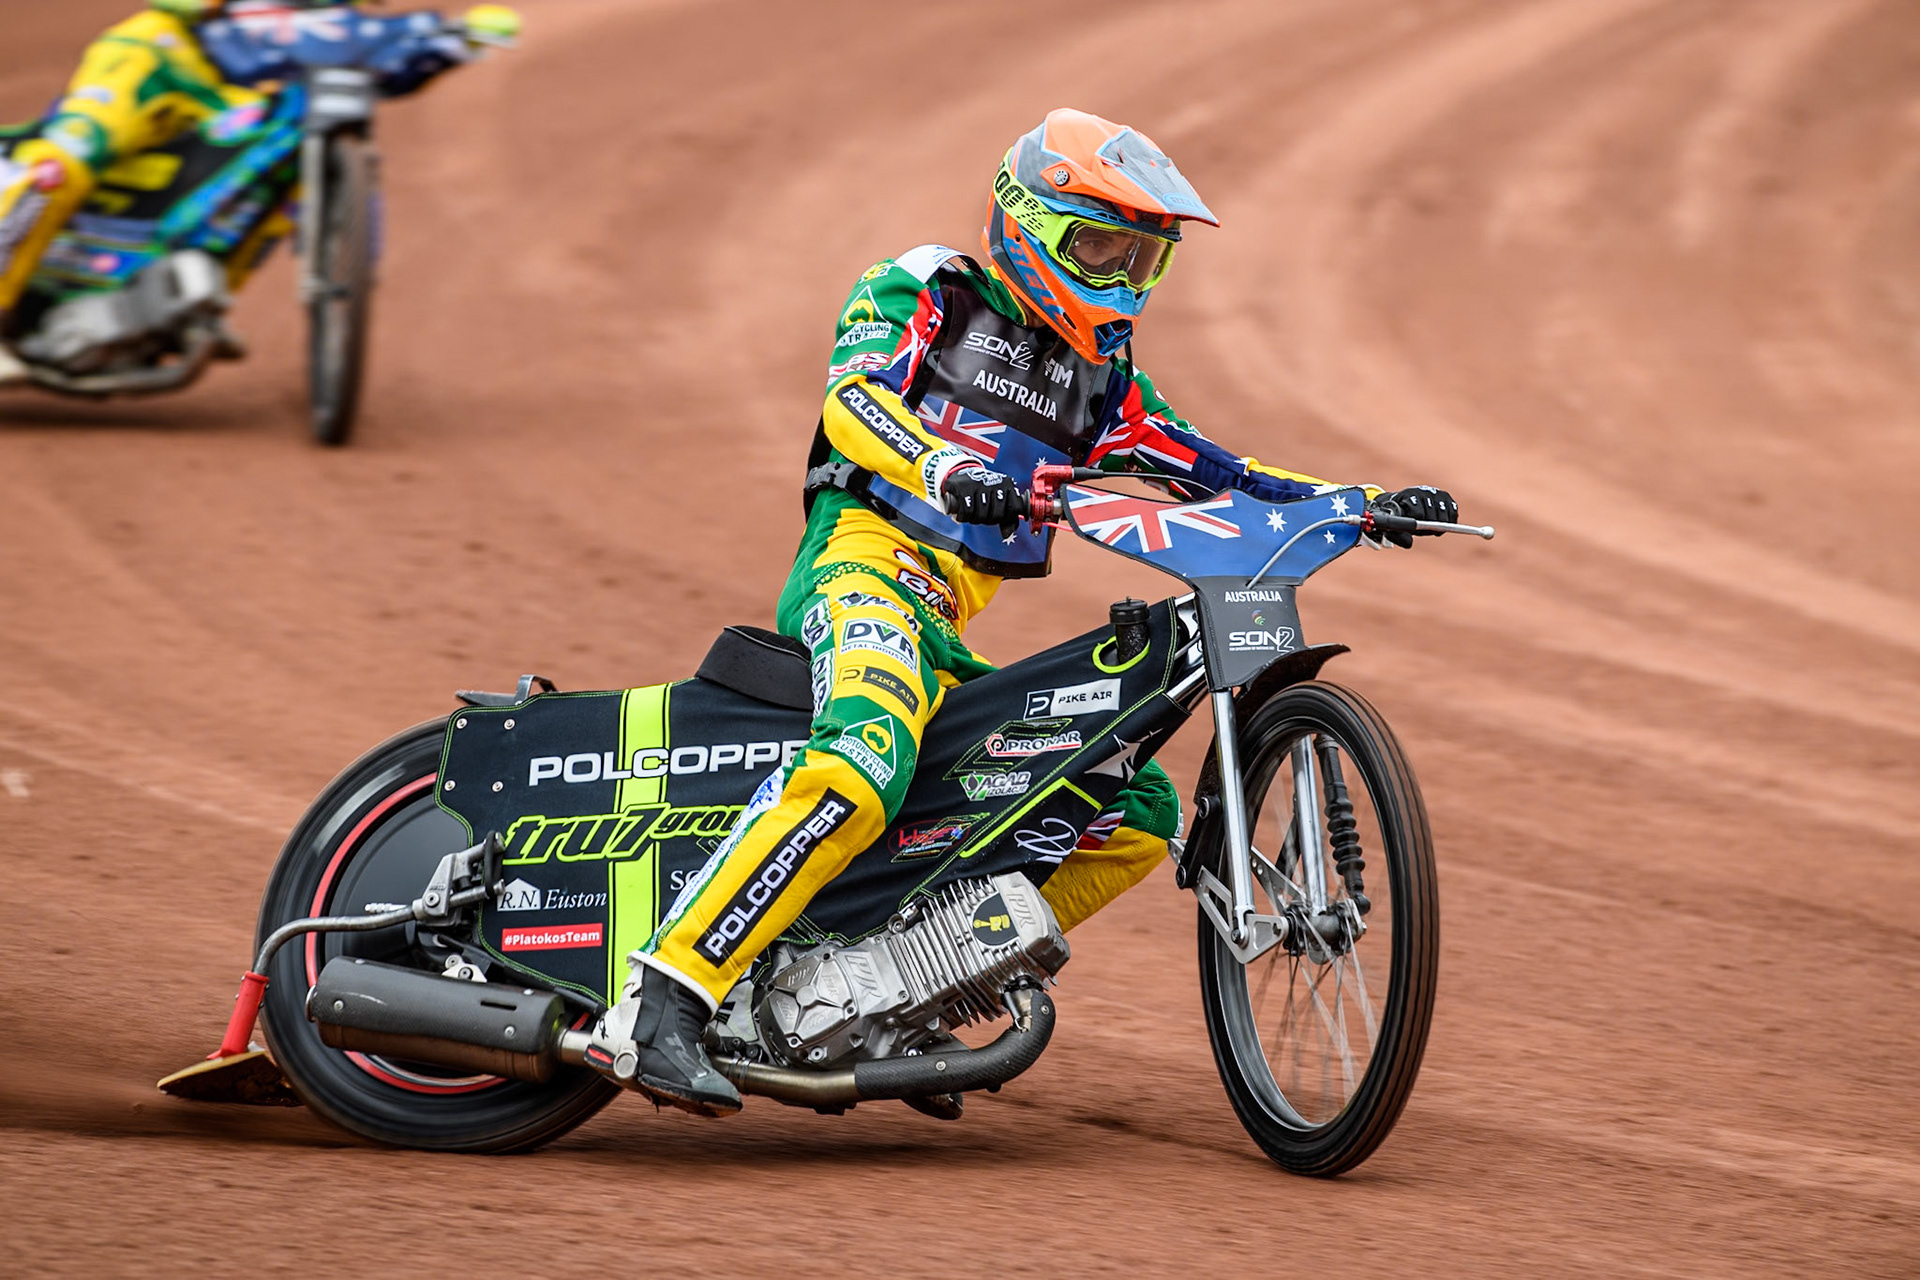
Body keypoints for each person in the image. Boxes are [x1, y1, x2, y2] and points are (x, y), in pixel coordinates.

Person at [587, 108, 1460, 1115]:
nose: (1123, 279)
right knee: (863, 756)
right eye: (1102, 248)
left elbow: (1225, 472)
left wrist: (1361, 503)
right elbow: (853, 403)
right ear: (1028, 223)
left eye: (1143, 258)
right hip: (862, 566)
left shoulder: (1104, 386)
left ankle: (896, 991)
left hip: (943, 622)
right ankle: (663, 995)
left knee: (1133, 812)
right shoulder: (931, 287)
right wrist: (942, 468)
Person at [0, 0, 518, 381]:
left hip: (238, 98)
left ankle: (175, 305)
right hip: (164, 57)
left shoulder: (346, 25)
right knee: (65, 158)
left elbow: (387, 60)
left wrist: (454, 39)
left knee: (280, 163)